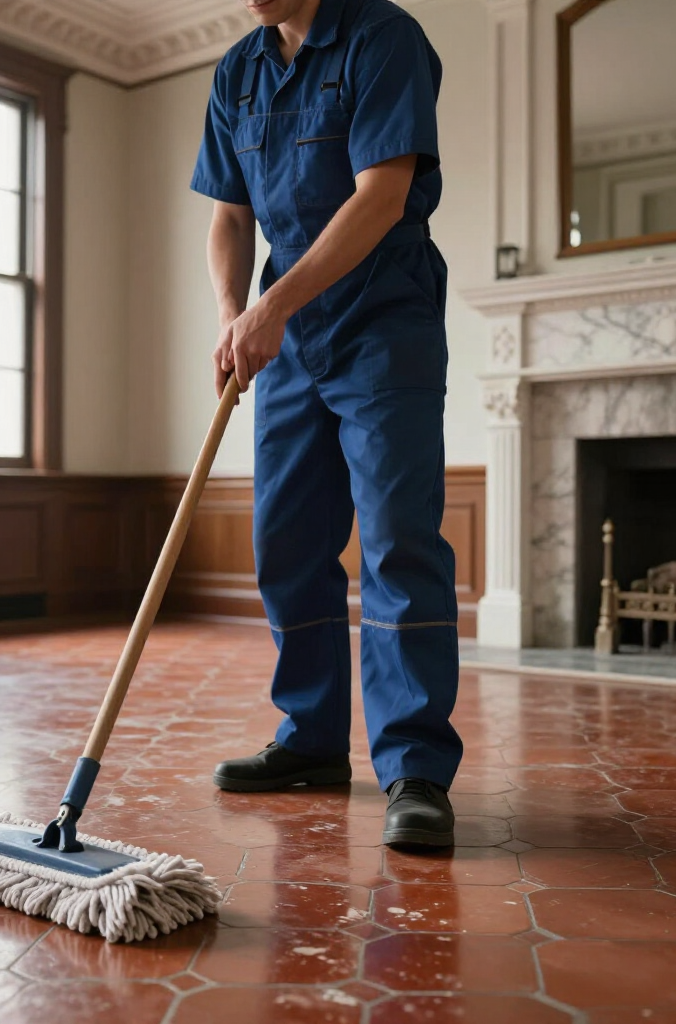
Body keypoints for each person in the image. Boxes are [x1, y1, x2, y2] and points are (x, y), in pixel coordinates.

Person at [191, 0, 462, 847]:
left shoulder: (383, 39)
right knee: (286, 539)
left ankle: (414, 767)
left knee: (395, 539)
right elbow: (230, 216)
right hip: (289, 340)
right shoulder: (239, 70)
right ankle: (309, 740)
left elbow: (382, 196)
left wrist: (271, 305)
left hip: (385, 323)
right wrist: (237, 317)